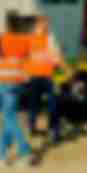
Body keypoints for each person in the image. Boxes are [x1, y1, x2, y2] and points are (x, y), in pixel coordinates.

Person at [0, 12, 33, 167]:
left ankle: (25, 150)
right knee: (6, 119)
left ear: (6, 24)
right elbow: (27, 58)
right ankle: (2, 155)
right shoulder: (24, 40)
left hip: (2, 83)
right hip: (17, 83)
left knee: (8, 118)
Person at [25, 15, 65, 144]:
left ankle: (54, 130)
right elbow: (24, 56)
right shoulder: (29, 38)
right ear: (37, 24)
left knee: (54, 103)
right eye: (43, 23)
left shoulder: (50, 38)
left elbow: (56, 55)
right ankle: (32, 128)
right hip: (34, 75)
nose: (45, 25)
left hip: (47, 75)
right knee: (34, 104)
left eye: (47, 23)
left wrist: (63, 66)